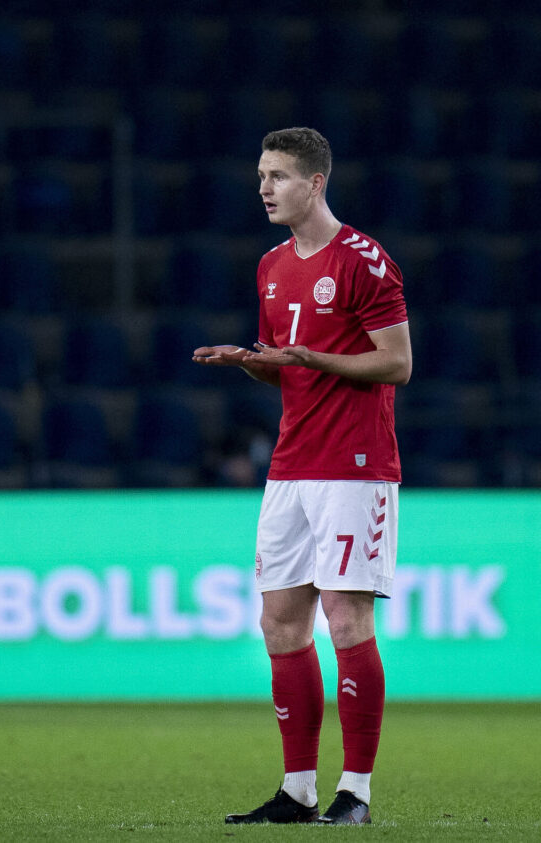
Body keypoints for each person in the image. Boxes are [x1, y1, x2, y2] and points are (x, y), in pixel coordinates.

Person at [193, 127, 411, 826]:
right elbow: (285, 359)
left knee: (347, 618)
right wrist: (253, 361)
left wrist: (313, 360)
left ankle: (356, 790)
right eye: (260, 174)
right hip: (290, 466)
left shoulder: (365, 261)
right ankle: (297, 790)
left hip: (354, 466)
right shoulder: (270, 266)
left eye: (278, 175)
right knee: (280, 621)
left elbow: (396, 362)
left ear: (315, 182)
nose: (264, 187)